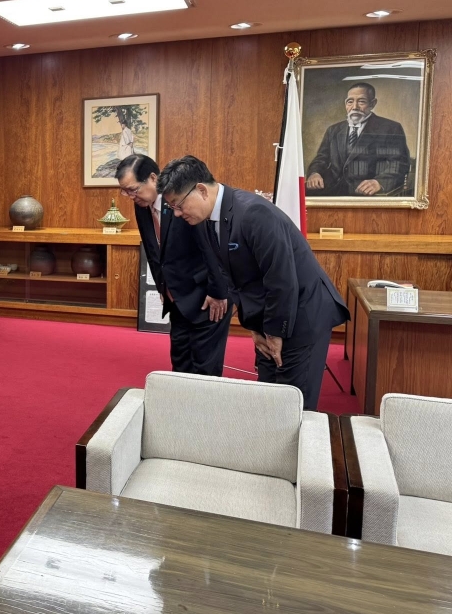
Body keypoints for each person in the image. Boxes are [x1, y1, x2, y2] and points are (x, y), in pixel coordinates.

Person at [157, 155, 348, 410]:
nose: (177, 214)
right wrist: (256, 329)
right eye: (172, 208)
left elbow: (281, 279)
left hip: (302, 314)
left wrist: (275, 332)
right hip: (270, 315)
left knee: (293, 405)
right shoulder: (206, 221)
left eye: (178, 205)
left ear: (201, 190)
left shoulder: (253, 213)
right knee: (268, 400)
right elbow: (236, 280)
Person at [116, 154, 231, 375]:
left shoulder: (181, 198)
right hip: (177, 296)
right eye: (125, 191)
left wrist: (218, 291)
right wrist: (162, 286)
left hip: (206, 295)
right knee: (180, 361)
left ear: (153, 178)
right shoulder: (142, 205)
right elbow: (152, 250)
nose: (130, 196)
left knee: (204, 368)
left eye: (133, 189)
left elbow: (211, 247)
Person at [305, 82, 411, 196]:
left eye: (361, 101)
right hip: (331, 190)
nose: (354, 107)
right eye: (350, 101)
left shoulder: (390, 128)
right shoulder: (333, 130)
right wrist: (315, 173)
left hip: (364, 193)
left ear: (372, 103)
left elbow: (400, 163)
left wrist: (379, 182)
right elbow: (321, 159)